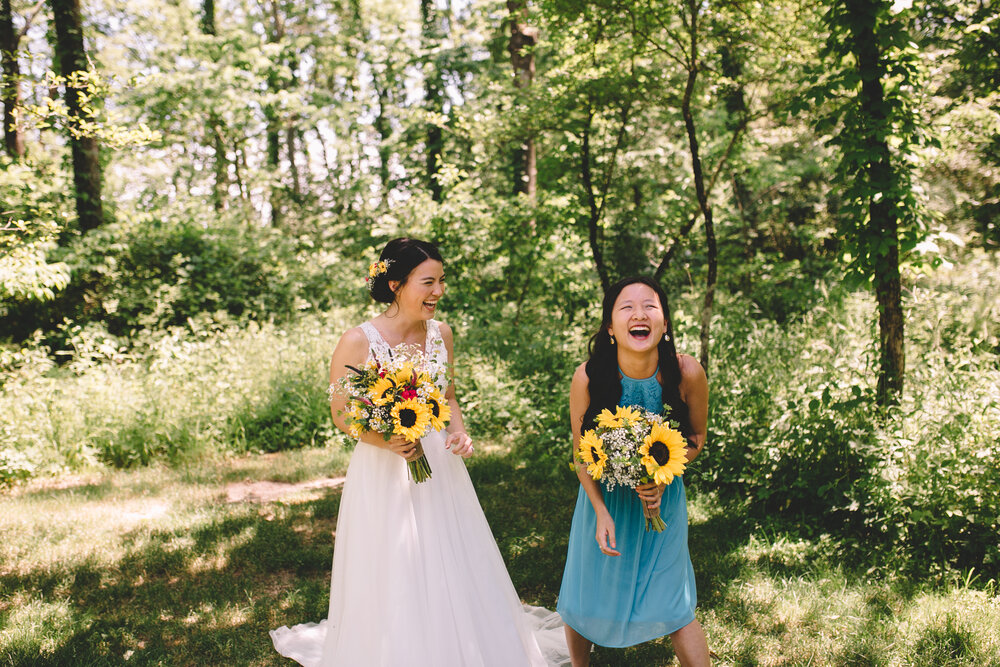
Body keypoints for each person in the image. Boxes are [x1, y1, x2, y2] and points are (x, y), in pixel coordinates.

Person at [270, 238, 567, 667]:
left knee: (451, 553)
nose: (438, 292)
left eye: (441, 281)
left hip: (438, 465)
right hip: (383, 465)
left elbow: (447, 395)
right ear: (395, 284)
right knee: (394, 559)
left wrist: (458, 432)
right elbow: (341, 413)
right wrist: (385, 440)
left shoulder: (441, 334)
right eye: (428, 282)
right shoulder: (358, 340)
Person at [556, 276, 711, 667]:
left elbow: (695, 435)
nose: (639, 314)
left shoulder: (687, 372)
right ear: (610, 327)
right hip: (602, 500)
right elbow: (581, 454)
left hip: (662, 502)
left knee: (676, 601)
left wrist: (662, 477)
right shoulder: (588, 377)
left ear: (665, 323)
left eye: (650, 306)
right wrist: (599, 512)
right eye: (626, 307)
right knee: (583, 592)